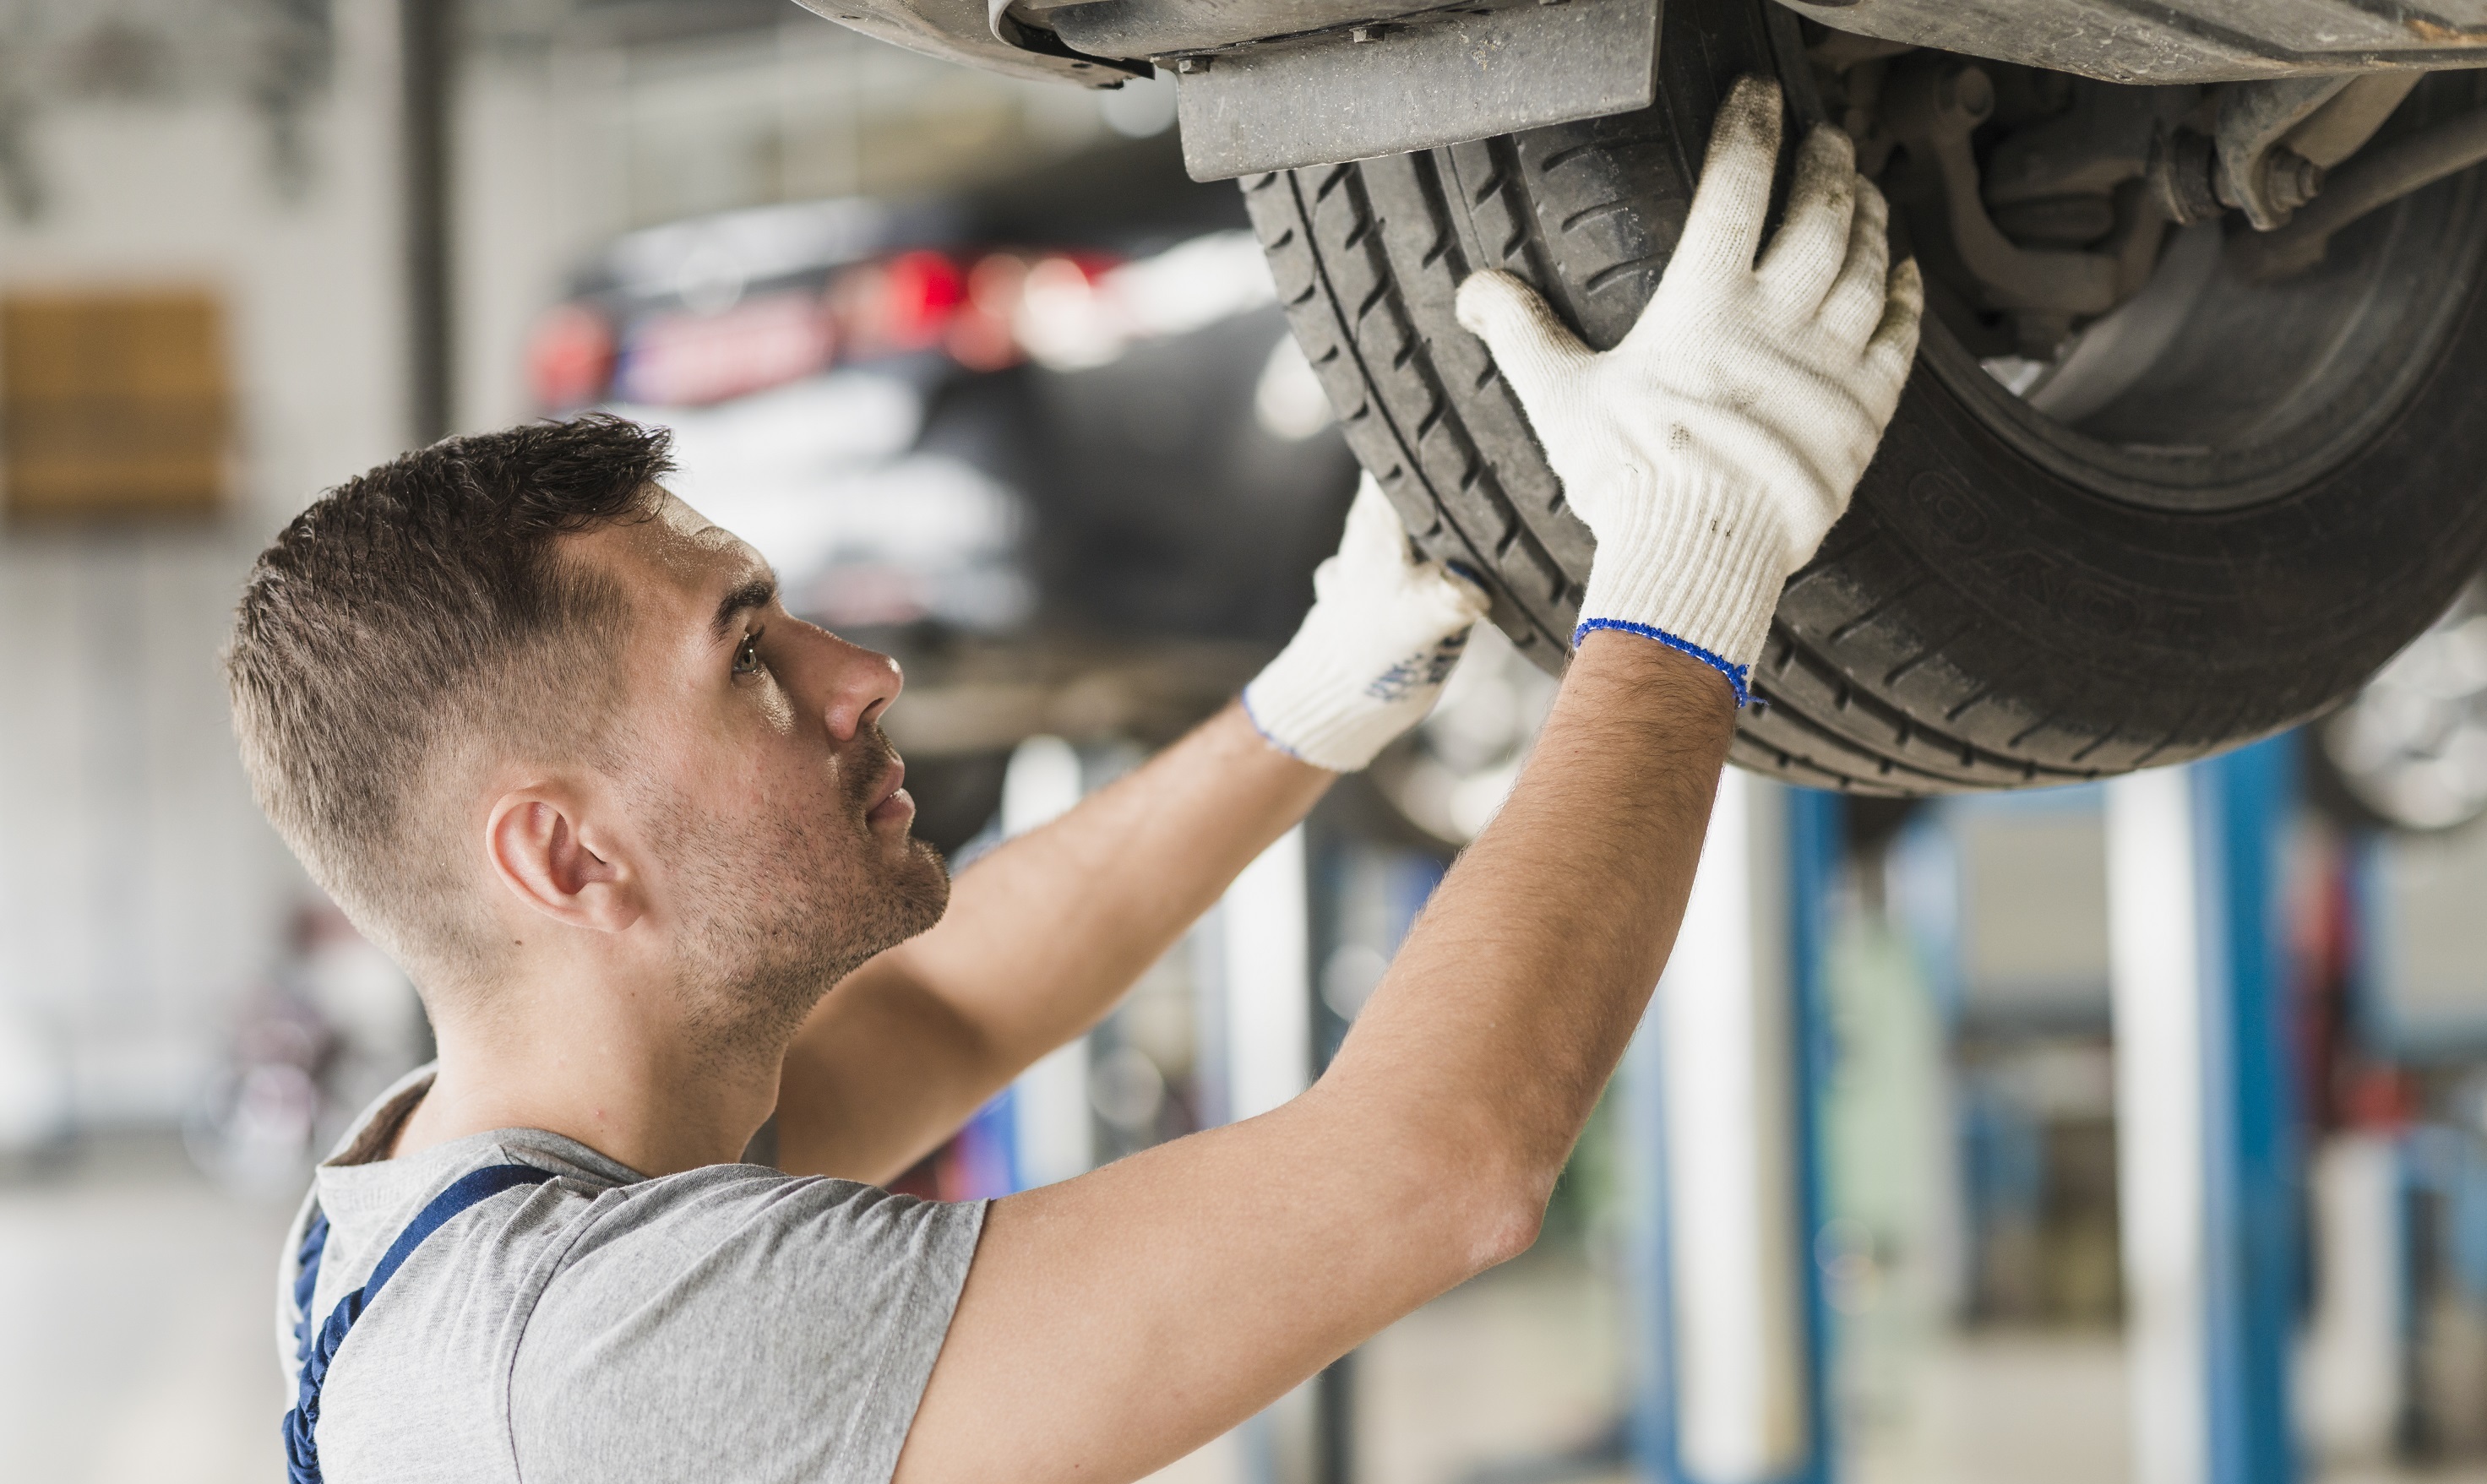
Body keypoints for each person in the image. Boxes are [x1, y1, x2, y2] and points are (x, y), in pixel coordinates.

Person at [226, 77, 1918, 1484]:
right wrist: (1693, 564)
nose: (859, 673)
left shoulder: (453, 1196)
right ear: (566, 858)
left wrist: (1310, 704)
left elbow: (946, 1013)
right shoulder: (594, 1373)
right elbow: (1433, 1171)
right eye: (747, 657)